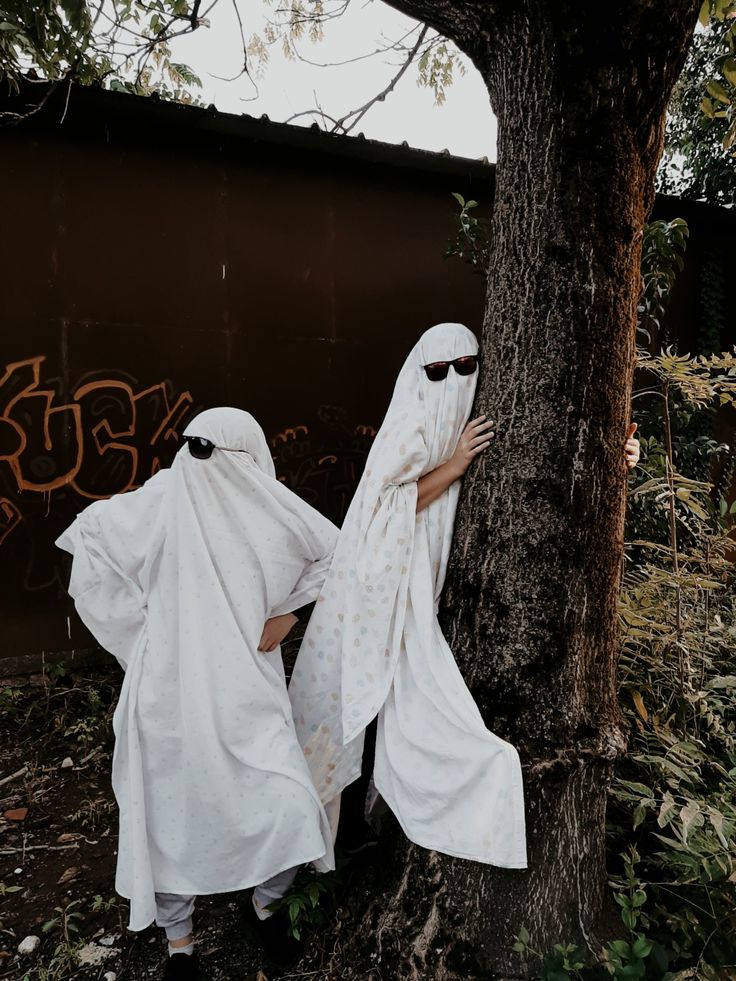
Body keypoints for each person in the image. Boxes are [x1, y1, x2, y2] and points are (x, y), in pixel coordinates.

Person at [288, 322, 641, 869]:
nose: (452, 380)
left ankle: (371, 821)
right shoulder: (409, 421)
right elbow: (382, 506)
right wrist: (452, 466)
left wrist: (615, 454)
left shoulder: (485, 416)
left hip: (444, 586)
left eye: (465, 368)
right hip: (389, 588)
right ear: (418, 373)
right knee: (367, 696)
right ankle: (347, 830)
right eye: (436, 370)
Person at [56, 408, 339, 980]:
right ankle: (180, 949)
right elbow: (89, 540)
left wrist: (288, 612)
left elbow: (336, 553)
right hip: (168, 695)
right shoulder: (164, 496)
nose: (199, 461)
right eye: (192, 447)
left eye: (210, 449)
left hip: (245, 692)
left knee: (287, 804)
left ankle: (263, 906)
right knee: (171, 819)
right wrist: (142, 632)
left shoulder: (269, 505)